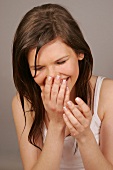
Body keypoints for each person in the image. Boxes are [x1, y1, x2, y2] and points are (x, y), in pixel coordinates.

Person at [12, 3, 113, 170]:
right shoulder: (23, 103)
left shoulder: (108, 95)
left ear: (80, 53)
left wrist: (84, 135)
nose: (53, 76)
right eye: (38, 68)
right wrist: (56, 124)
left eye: (61, 62)